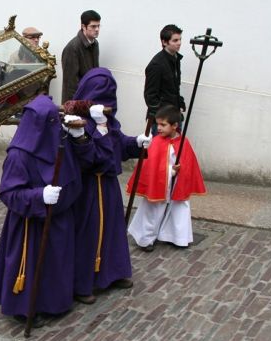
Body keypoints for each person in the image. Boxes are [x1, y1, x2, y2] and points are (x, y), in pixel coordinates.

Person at [0, 94, 93, 326]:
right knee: (34, 264)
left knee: (57, 262)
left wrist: (80, 139)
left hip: (61, 217)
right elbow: (8, 193)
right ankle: (25, 308)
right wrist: (38, 196)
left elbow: (87, 163)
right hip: (31, 225)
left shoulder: (61, 142)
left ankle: (55, 302)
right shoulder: (19, 155)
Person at [71, 68, 152, 304]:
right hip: (87, 188)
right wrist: (99, 129)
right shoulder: (78, 122)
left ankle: (113, 273)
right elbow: (93, 156)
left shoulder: (108, 120)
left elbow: (117, 142)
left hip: (107, 186)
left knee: (113, 230)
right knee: (89, 232)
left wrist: (135, 143)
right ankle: (83, 283)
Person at [127, 105, 205, 251]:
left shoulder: (184, 143)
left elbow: (188, 164)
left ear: (175, 126)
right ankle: (146, 239)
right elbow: (151, 165)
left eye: (163, 125)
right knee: (153, 209)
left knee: (179, 207)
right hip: (159, 183)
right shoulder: (155, 141)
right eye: (158, 124)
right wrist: (171, 171)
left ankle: (176, 237)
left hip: (176, 185)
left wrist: (180, 169)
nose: (159, 128)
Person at [144, 24, 186, 130]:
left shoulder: (175, 58)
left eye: (180, 39)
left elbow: (174, 88)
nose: (179, 43)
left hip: (174, 117)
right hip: (161, 122)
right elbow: (150, 96)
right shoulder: (156, 64)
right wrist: (162, 118)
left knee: (174, 147)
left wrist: (179, 103)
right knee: (160, 147)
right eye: (175, 40)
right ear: (164, 42)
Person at [61, 9, 101, 103]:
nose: (97, 29)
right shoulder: (72, 48)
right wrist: (74, 106)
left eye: (98, 26)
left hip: (91, 97)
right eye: (93, 26)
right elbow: (70, 84)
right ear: (83, 26)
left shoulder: (95, 44)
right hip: (76, 102)